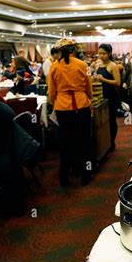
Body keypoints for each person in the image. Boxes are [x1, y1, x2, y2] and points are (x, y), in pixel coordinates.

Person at [48, 37, 93, 186]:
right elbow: (88, 87)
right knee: (85, 141)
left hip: (62, 107)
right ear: (74, 49)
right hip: (82, 105)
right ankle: (86, 175)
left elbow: (51, 92)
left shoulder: (54, 67)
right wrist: (89, 100)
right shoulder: (82, 64)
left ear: (60, 51)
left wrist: (55, 102)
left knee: (66, 143)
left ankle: (64, 177)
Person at [95, 43, 121, 151]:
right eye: (99, 53)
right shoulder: (97, 64)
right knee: (102, 122)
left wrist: (103, 80)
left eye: (104, 53)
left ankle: (112, 143)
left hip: (111, 96)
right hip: (100, 95)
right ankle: (104, 143)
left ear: (109, 53)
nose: (101, 56)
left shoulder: (113, 66)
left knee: (111, 120)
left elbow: (118, 82)